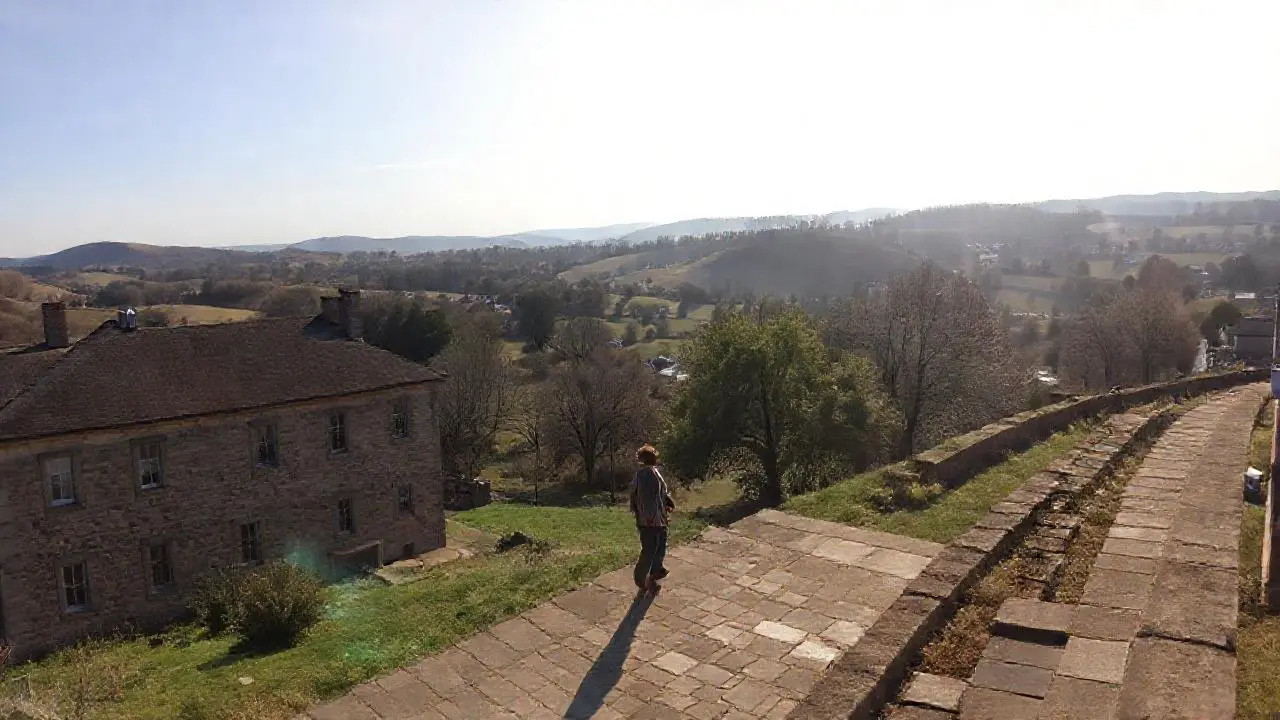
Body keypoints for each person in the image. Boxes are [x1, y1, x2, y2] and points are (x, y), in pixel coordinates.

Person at [629, 444, 675, 592]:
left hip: (658, 519)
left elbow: (660, 492)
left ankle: (656, 570)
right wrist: (649, 519)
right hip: (649, 521)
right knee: (650, 549)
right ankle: (641, 578)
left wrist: (667, 502)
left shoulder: (652, 472)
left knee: (660, 545)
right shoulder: (645, 475)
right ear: (651, 458)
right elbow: (644, 498)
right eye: (654, 456)